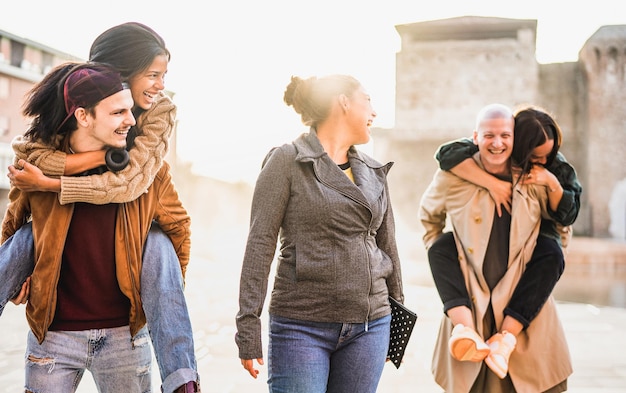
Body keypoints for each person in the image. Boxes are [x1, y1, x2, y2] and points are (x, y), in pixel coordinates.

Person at [1, 22, 200, 393]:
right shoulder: (48, 148)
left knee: (157, 244)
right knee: (28, 236)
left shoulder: (150, 160)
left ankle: (182, 380)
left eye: (163, 76)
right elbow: (16, 210)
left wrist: (160, 293)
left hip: (123, 336)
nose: (160, 85)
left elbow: (160, 209)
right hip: (55, 336)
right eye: (153, 75)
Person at [235, 74, 404, 392]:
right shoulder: (286, 160)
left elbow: (387, 245)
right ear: (343, 101)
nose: (374, 112)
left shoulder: (374, 170)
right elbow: (260, 243)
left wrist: (397, 325)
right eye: (367, 100)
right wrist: (248, 326)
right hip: (302, 326)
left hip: (371, 326)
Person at [419, 104, 573, 392]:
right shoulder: (452, 176)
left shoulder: (533, 175)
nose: (498, 143)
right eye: (489, 135)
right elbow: (429, 219)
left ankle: (508, 336)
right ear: (475, 137)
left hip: (523, 298)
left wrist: (544, 267)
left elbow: (562, 224)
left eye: (505, 135)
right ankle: (464, 329)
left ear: (516, 140)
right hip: (472, 297)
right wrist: (447, 256)